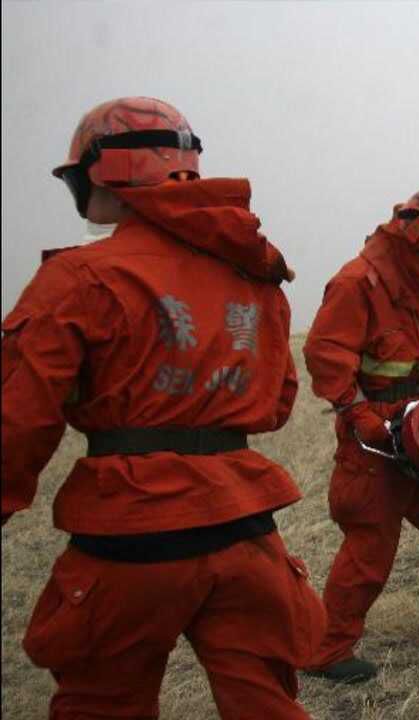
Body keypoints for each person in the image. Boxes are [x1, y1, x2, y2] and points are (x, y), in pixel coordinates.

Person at [1, 97, 324, 719]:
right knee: (266, 704)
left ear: (97, 173)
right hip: (245, 528)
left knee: (103, 702)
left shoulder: (79, 277)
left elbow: (17, 421)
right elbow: (279, 403)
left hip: (129, 535)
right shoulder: (254, 273)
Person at [302, 188, 419, 684]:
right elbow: (325, 355)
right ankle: (327, 651)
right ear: (416, 238)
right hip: (374, 434)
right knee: (370, 549)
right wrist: (358, 415)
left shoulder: (416, 285)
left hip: (417, 426)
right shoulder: (357, 283)